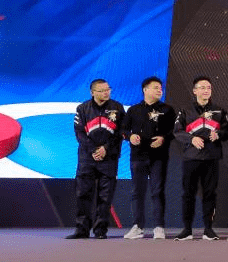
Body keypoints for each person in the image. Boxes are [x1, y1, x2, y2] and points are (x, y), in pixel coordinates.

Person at [69, 78, 125, 239]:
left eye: (108, 89)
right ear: (92, 92)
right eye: (102, 91)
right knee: (83, 194)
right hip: (87, 158)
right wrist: (94, 149)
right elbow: (79, 133)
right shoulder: (82, 109)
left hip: (109, 158)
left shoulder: (117, 108)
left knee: (105, 196)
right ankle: (81, 229)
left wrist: (105, 148)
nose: (106, 93)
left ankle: (100, 230)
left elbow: (121, 132)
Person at [122, 76, 176, 240]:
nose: (160, 90)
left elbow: (174, 131)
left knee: (157, 191)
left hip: (158, 156)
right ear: (145, 90)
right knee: (137, 192)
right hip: (138, 156)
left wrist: (163, 139)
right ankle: (138, 226)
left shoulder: (167, 110)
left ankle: (159, 227)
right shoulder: (134, 110)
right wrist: (130, 137)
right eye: (155, 87)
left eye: (160, 88)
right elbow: (123, 130)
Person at [173, 76, 226, 241]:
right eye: (202, 87)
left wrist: (218, 134)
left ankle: (208, 230)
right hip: (191, 158)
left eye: (208, 88)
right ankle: (187, 230)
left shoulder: (219, 111)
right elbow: (177, 131)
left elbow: (227, 131)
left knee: (210, 194)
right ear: (194, 91)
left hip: (211, 158)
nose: (206, 90)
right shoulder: (185, 110)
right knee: (188, 194)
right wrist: (191, 139)